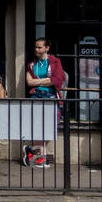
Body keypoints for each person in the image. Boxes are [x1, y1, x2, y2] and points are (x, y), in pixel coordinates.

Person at [23, 37, 66, 168]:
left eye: (40, 47)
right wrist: (46, 80)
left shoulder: (54, 61)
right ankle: (40, 158)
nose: (37, 50)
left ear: (47, 48)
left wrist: (40, 81)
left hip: (50, 95)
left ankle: (33, 150)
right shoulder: (31, 63)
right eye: (36, 47)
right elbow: (29, 82)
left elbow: (57, 79)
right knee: (37, 126)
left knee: (49, 127)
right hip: (36, 95)